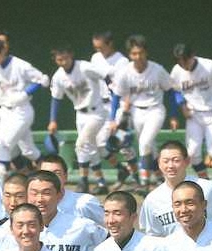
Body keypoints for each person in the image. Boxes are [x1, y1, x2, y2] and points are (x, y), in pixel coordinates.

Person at [109, 35, 176, 188]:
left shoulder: (157, 69)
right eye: (134, 53)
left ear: (146, 52)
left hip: (155, 110)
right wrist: (113, 119)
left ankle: (144, 182)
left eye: (140, 53)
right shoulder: (125, 72)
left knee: (144, 143)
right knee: (149, 147)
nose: (138, 57)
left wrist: (173, 115)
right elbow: (116, 96)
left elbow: (170, 91)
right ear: (129, 55)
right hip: (135, 112)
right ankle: (160, 177)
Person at [169, 43, 212, 184]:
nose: (183, 64)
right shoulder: (177, 71)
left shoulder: (209, 66)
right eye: (179, 61)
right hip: (194, 115)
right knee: (192, 153)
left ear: (192, 55)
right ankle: (205, 182)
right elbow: (175, 91)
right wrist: (181, 106)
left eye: (185, 59)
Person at [0, 37, 49, 176]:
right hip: (3, 112)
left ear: (3, 51)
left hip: (21, 111)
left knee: (2, 146)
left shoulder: (20, 65)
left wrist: (25, 93)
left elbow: (43, 80)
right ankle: (47, 174)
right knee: (29, 151)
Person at [49, 45, 110, 194]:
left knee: (81, 144)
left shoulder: (85, 67)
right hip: (80, 114)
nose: (62, 62)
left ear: (71, 55)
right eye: (59, 59)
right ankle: (101, 182)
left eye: (64, 58)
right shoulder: (58, 76)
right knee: (91, 148)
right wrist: (53, 119)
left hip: (97, 111)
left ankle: (83, 180)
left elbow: (107, 76)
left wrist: (114, 96)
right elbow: (56, 98)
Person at [91, 31, 133, 187]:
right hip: (102, 105)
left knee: (123, 143)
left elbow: (127, 85)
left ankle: (137, 177)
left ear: (110, 44)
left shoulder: (122, 61)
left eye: (101, 47)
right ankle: (122, 169)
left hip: (119, 104)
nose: (98, 51)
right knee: (99, 144)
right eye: (96, 47)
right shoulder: (95, 58)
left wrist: (125, 111)